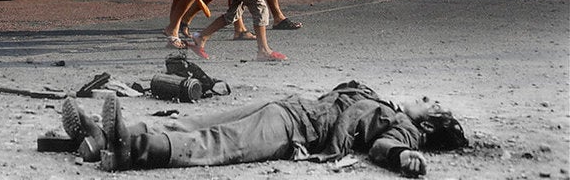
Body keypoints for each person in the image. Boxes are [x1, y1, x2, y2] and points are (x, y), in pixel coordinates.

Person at [59, 81, 468, 175]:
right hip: (289, 107)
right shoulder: (386, 103)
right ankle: (101, 135)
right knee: (198, 120)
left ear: (429, 121)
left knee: (217, 143)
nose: (425, 99)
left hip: (295, 127)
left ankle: (133, 149)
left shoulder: (404, 130)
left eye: (431, 104)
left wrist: (403, 156)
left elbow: (383, 149)